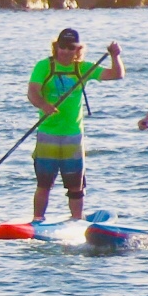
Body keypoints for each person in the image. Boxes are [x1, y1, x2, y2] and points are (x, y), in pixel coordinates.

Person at [29, 28, 124, 223]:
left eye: (70, 48)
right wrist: (43, 105)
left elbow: (116, 74)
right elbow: (32, 92)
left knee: (75, 186)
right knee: (44, 183)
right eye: (61, 47)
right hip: (48, 133)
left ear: (77, 50)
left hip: (73, 136)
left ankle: (76, 222)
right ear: (56, 47)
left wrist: (115, 56)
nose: (65, 51)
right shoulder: (44, 66)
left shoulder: (83, 68)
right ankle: (37, 220)